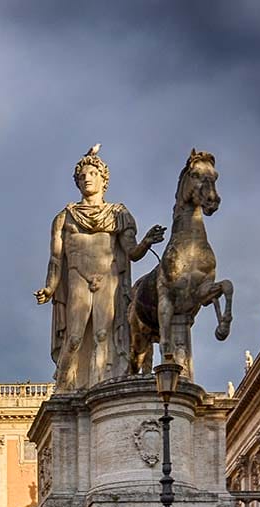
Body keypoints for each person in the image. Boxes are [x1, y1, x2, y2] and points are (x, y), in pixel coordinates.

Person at [34, 145, 165, 391]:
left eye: (93, 174)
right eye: (82, 175)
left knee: (103, 336)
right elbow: (56, 258)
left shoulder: (118, 214)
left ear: (103, 180)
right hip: (77, 277)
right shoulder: (64, 217)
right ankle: (63, 389)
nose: (87, 178)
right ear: (77, 182)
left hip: (108, 278)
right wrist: (50, 288)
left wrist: (146, 241)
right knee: (74, 337)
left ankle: (99, 389)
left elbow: (132, 252)